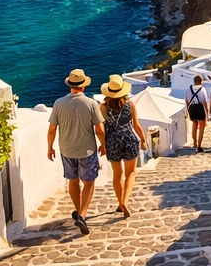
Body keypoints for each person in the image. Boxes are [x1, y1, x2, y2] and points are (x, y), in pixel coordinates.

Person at [48, 68, 105, 235]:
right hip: (87, 149)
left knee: (73, 181)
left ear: (70, 85)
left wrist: (49, 147)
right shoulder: (91, 104)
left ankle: (78, 210)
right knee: (88, 182)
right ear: (84, 86)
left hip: (66, 149)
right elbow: (99, 130)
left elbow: (52, 129)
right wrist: (103, 145)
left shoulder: (58, 103)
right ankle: (83, 213)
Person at [100, 75, 147, 218]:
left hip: (112, 141)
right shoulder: (130, 104)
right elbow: (136, 125)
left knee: (117, 175)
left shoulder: (103, 107)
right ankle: (125, 201)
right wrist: (143, 140)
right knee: (131, 173)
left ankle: (120, 202)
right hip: (129, 139)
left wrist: (103, 145)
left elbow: (101, 128)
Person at [186, 74, 210, 153]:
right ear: (201, 81)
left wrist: (188, 110)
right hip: (200, 107)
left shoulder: (189, 89)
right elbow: (205, 102)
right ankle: (199, 144)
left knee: (194, 124)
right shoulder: (202, 89)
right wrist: (207, 112)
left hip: (192, 108)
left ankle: (195, 142)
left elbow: (186, 100)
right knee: (202, 126)